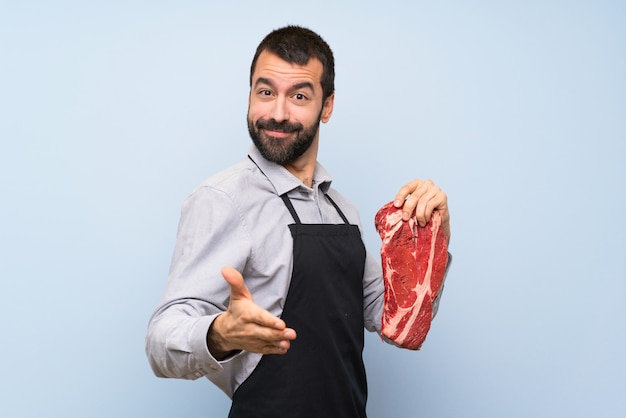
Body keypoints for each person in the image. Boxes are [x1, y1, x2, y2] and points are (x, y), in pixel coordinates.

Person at [146, 25, 451, 418]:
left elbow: (392, 320)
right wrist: (220, 334)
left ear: (327, 106)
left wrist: (434, 237)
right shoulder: (223, 199)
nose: (277, 112)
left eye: (299, 96)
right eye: (266, 91)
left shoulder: (342, 209)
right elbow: (159, 342)